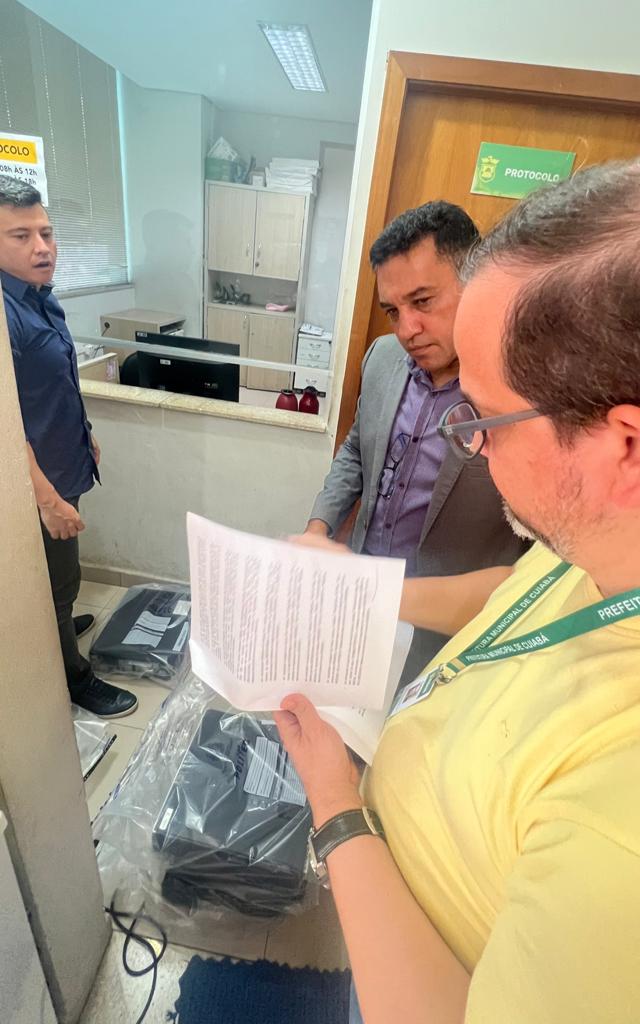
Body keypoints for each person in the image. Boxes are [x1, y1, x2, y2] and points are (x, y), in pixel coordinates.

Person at [275, 160, 640, 1023]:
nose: (468, 442)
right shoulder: (588, 547)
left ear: (623, 445)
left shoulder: (618, 825)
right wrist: (356, 584)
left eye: (484, 421)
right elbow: (512, 591)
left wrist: (336, 808)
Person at [306, 202, 527, 681]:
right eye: (393, 311)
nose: (407, 330)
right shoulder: (382, 358)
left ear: (475, 281)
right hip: (359, 602)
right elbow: (356, 450)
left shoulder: (520, 393)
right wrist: (318, 527)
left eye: (423, 302)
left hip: (452, 633)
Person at [0, 175, 137, 718]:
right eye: (21, 236)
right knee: (57, 580)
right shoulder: (4, 316)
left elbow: (52, 386)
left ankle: (54, 627)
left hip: (64, 460)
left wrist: (86, 434)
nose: (42, 247)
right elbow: (5, 425)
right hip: (37, 483)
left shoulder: (41, 298)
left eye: (47, 233)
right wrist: (46, 498)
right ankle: (74, 678)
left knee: (61, 576)